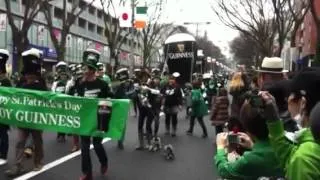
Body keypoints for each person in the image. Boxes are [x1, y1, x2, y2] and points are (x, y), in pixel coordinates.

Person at [262, 68, 320, 180]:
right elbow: (288, 155)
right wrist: (273, 120)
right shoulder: (311, 143)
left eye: (289, 96)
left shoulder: (304, 159)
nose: (287, 100)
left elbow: (297, 158)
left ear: (302, 103)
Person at [215, 94, 284, 179]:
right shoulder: (287, 144)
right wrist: (253, 146)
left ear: (248, 130)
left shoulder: (249, 160)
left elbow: (225, 171)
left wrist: (220, 147)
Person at [6, 48, 47, 176]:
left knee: (37, 141)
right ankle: (18, 166)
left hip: (37, 118)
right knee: (20, 142)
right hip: (22, 117)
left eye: (31, 74)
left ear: (35, 73)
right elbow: (15, 95)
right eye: (27, 74)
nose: (28, 76)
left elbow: (46, 98)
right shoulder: (21, 82)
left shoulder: (41, 82)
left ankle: (38, 162)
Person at [76, 49, 111, 180]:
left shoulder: (102, 84)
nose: (83, 69)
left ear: (92, 69)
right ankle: (87, 173)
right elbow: (75, 98)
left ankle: (104, 162)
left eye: (86, 67)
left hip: (99, 119)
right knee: (84, 147)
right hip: (85, 119)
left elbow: (110, 99)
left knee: (97, 145)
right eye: (83, 67)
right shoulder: (80, 83)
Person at [52, 61, 69, 143]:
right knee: (59, 119)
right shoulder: (56, 82)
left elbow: (69, 91)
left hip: (66, 103)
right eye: (61, 74)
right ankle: (59, 134)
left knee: (64, 119)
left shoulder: (68, 82)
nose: (63, 76)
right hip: (58, 103)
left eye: (64, 74)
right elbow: (53, 91)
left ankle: (62, 134)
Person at [0, 49, 11, 166]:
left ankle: (3, 155)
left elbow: (9, 96)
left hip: (3, 111)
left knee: (3, 133)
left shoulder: (6, 81)